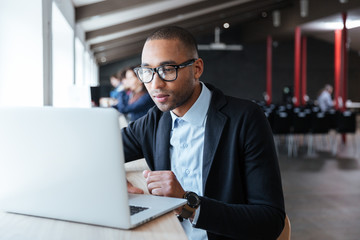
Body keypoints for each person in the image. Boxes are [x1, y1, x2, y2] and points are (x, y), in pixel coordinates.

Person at [122, 26, 285, 240]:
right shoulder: (155, 121)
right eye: (147, 72)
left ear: (197, 68)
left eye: (168, 69)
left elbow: (270, 221)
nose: (155, 84)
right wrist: (114, 182)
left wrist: (188, 203)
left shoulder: (245, 119)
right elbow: (101, 151)